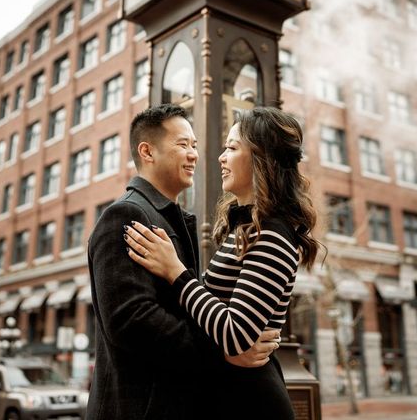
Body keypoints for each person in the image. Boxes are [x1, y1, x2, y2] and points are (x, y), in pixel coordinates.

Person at [125, 106, 322, 419]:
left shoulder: (273, 232)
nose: (219, 157)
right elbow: (224, 325)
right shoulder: (246, 229)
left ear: (261, 158)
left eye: (231, 148)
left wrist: (176, 272)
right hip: (230, 395)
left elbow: (235, 334)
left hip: (252, 402)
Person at [86, 103, 281, 420]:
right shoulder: (126, 215)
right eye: (182, 145)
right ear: (147, 152)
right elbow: (131, 321)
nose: (194, 155)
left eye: (194, 145)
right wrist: (224, 351)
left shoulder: (178, 222)